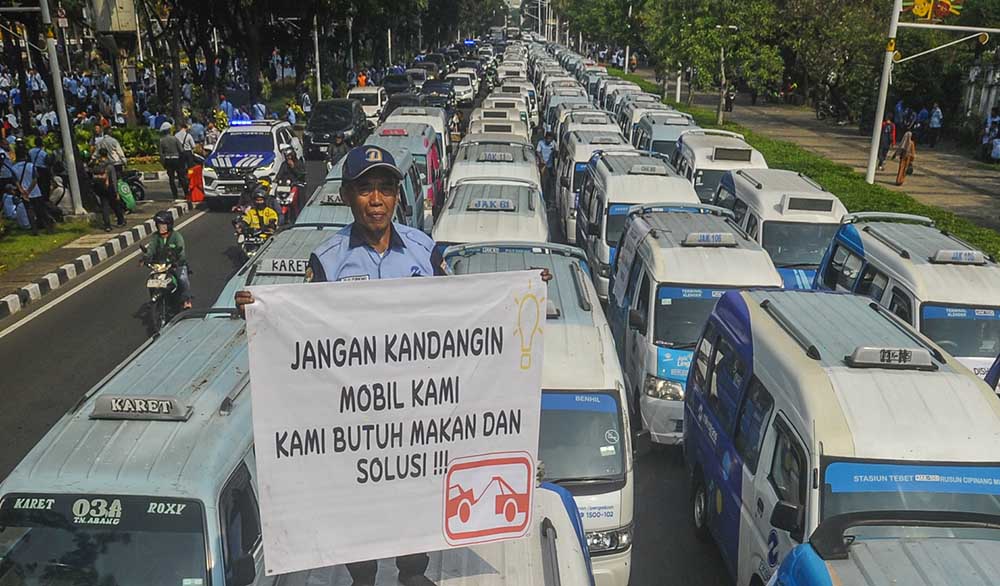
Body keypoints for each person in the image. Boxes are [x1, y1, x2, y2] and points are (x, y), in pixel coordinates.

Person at [141, 211, 192, 310]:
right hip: (161, 265)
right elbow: (151, 248)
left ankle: (187, 300)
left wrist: (178, 261)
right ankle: (154, 298)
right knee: (151, 280)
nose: (161, 228)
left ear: (169, 225)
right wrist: (146, 257)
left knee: (183, 279)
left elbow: (181, 252)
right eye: (159, 225)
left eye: (163, 225)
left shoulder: (177, 237)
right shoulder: (156, 237)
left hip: (176, 264)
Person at [13, 143, 53, 235]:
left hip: (24, 194)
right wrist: (29, 190)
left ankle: (34, 230)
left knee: (30, 212)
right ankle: (48, 228)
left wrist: (23, 191)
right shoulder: (31, 166)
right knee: (41, 211)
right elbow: (35, 180)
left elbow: (16, 181)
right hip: (35, 192)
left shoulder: (14, 168)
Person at [91, 147, 125, 232]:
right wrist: (117, 192)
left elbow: (93, 176)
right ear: (107, 154)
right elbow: (113, 179)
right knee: (115, 205)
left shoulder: (97, 165)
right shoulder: (109, 166)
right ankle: (121, 221)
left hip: (100, 189)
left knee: (104, 206)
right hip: (110, 188)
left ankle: (107, 225)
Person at [159, 122, 187, 199]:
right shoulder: (175, 139)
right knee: (181, 177)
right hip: (176, 159)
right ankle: (186, 193)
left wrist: (163, 163)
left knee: (171, 179)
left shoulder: (162, 141)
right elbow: (181, 150)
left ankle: (175, 195)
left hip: (168, 160)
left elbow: (161, 154)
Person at [535, 132, 556, 208]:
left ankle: (549, 200)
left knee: (550, 184)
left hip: (550, 166)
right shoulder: (541, 143)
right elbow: (538, 152)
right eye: (548, 139)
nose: (549, 140)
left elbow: (555, 153)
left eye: (551, 139)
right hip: (543, 166)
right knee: (543, 183)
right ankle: (543, 199)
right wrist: (541, 159)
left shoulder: (553, 144)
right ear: (545, 138)